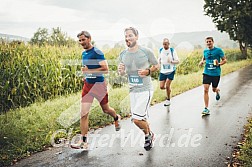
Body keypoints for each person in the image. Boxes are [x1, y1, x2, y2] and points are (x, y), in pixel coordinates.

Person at [71, 31, 121, 149]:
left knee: (106, 109)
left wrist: (89, 72)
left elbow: (105, 69)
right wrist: (86, 75)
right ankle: (84, 142)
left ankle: (116, 117)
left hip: (99, 86)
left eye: (83, 40)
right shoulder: (84, 54)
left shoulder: (97, 52)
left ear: (89, 39)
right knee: (83, 114)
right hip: (88, 86)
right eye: (80, 40)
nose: (81, 42)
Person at [118, 27, 158, 151]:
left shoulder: (146, 51)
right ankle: (150, 134)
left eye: (130, 35)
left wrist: (148, 71)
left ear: (137, 36)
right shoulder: (123, 54)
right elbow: (122, 73)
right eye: (126, 36)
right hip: (133, 90)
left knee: (136, 119)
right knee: (142, 117)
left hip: (145, 89)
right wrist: (121, 72)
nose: (127, 38)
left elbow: (157, 65)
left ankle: (147, 135)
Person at [199, 36, 227, 115]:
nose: (208, 43)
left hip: (216, 73)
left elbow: (225, 60)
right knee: (205, 89)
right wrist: (202, 62)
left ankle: (217, 91)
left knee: (213, 89)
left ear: (213, 42)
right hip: (207, 73)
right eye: (207, 42)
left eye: (210, 41)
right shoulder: (205, 51)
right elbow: (204, 58)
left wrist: (219, 63)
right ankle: (206, 108)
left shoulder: (218, 50)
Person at [158, 38, 179, 107]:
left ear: (169, 44)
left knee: (167, 85)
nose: (164, 45)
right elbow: (159, 59)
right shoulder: (161, 50)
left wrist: (172, 61)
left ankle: (168, 100)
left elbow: (177, 61)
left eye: (166, 44)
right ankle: (168, 90)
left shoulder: (172, 51)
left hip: (171, 71)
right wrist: (158, 64)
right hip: (163, 71)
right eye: (163, 44)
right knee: (161, 87)